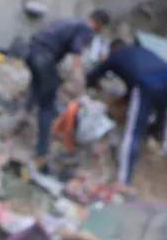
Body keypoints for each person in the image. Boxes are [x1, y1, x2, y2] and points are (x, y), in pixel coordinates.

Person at [86, 39, 167, 186]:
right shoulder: (140, 51)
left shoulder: (116, 55)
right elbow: (133, 83)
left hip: (148, 82)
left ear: (113, 50)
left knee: (133, 133)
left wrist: (92, 85)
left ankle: (124, 181)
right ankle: (160, 133)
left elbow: (94, 75)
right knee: (161, 111)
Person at [25, 10, 111, 168]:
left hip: (31, 51)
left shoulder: (69, 20)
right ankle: (41, 153)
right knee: (47, 105)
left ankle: (24, 115)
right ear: (100, 24)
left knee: (38, 84)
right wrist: (78, 73)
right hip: (45, 57)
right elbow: (76, 49)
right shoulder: (86, 28)